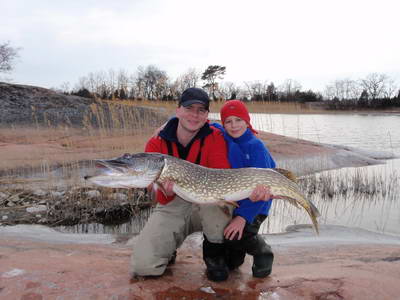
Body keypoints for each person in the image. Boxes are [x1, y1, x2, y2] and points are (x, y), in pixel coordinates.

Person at [131, 87, 233, 282]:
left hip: (207, 203)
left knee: (216, 206)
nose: (194, 115)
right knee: (143, 266)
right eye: (189, 108)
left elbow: (223, 177)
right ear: (178, 111)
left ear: (206, 115)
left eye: (200, 110)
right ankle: (167, 249)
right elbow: (160, 197)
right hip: (173, 204)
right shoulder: (156, 142)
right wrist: (165, 190)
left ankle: (214, 254)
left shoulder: (215, 137)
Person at [213, 100, 276, 278]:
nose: (234, 126)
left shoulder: (256, 147)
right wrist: (166, 125)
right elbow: (210, 124)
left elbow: (264, 186)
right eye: (228, 121)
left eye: (238, 120)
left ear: (247, 121)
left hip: (257, 203)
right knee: (231, 261)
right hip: (237, 200)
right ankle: (236, 255)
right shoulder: (225, 136)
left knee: (242, 232)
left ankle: (263, 252)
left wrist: (242, 218)